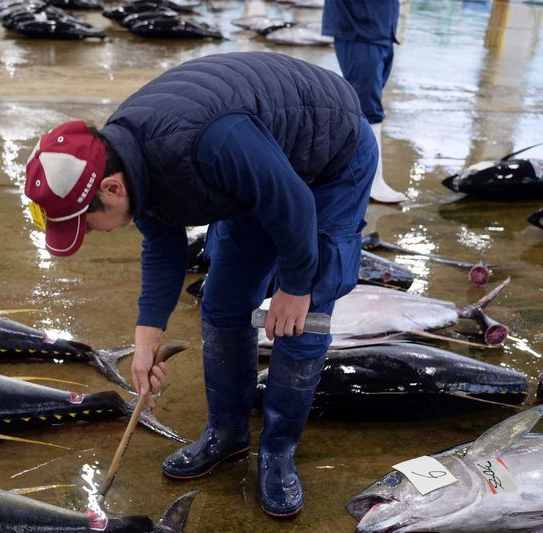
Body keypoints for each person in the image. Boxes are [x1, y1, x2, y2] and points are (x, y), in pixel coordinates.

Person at [24, 51, 376, 519]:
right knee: (222, 303)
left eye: (87, 225)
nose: (90, 234)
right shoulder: (124, 158)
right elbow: (162, 243)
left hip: (331, 154)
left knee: (300, 321)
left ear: (110, 189)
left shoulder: (209, 142)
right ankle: (227, 433)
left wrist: (295, 285)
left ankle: (277, 452)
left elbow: (292, 201)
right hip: (257, 165)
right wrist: (146, 336)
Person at [323, 0, 406, 203]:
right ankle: (371, 181)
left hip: (381, 30)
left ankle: (357, 175)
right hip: (360, 29)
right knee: (368, 109)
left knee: (368, 104)